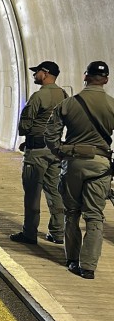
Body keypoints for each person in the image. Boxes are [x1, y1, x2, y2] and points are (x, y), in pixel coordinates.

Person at [45, 61, 114, 279]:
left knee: (72, 213)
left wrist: (60, 152)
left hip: (73, 164)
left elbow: (50, 135)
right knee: (94, 216)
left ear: (85, 76)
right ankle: (88, 267)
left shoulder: (68, 104)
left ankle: (72, 259)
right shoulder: (112, 105)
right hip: (100, 166)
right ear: (106, 79)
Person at [10, 61, 68, 245]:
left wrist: (30, 137)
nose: (34, 75)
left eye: (37, 72)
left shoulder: (38, 96)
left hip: (36, 152)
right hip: (55, 151)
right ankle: (58, 232)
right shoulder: (64, 95)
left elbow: (25, 125)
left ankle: (29, 233)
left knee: (32, 193)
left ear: (45, 73)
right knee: (55, 192)